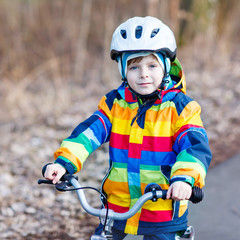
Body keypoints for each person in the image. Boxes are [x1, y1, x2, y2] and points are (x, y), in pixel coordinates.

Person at [44, 16, 212, 240]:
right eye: (134, 66)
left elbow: (194, 147)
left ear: (166, 66)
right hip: (117, 206)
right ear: (123, 70)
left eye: (152, 65)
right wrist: (63, 163)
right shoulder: (115, 104)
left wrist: (183, 179)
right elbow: (89, 134)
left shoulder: (181, 108)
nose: (143, 74)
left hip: (162, 208)